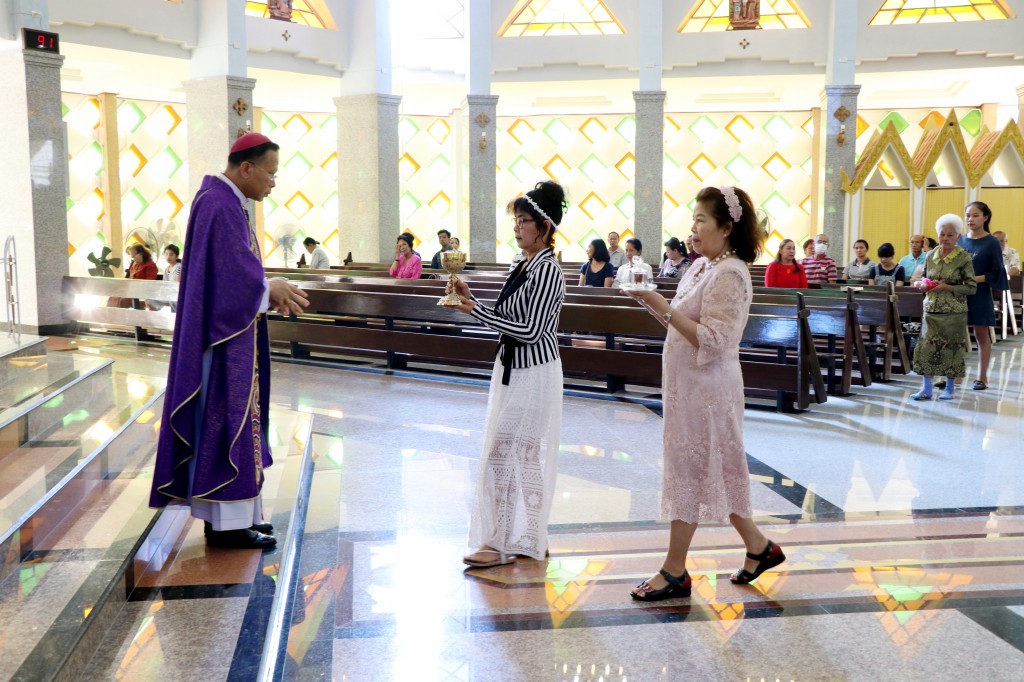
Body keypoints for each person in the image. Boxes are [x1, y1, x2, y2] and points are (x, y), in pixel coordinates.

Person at [622, 186, 785, 601]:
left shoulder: (731, 273)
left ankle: (675, 570)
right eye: (692, 219)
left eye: (701, 220)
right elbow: (680, 322)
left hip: (709, 389)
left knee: (691, 470)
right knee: (717, 467)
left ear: (726, 228)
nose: (692, 229)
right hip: (688, 385)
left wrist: (658, 301)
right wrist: (647, 299)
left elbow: (712, 339)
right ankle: (759, 547)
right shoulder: (700, 267)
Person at [149, 132, 309, 550]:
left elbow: (232, 271)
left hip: (232, 334)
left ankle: (235, 518)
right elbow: (229, 280)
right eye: (270, 174)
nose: (273, 183)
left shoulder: (226, 202)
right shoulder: (219, 204)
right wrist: (267, 288)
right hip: (223, 342)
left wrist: (268, 288)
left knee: (234, 423)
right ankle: (227, 526)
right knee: (225, 422)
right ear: (247, 168)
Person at [448, 180, 567, 567]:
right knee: (523, 453)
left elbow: (531, 331)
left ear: (544, 226)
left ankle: (497, 542)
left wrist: (474, 311)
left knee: (505, 451)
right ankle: (532, 537)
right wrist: (472, 298)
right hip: (512, 366)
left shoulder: (547, 270)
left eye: (524, 220)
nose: (516, 227)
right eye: (516, 220)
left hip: (534, 370)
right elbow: (507, 316)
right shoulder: (521, 263)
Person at [910, 215, 976, 401]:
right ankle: (926, 388)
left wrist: (947, 287)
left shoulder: (963, 258)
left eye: (950, 235)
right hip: (931, 309)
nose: (945, 238)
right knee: (926, 348)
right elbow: (924, 277)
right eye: (942, 234)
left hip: (953, 312)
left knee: (950, 350)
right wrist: (922, 284)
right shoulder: (930, 255)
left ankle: (949, 388)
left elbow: (971, 287)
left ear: (958, 237)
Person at [957, 201, 1009, 391]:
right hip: (959, 293)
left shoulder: (992, 242)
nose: (970, 219)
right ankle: (955, 376)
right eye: (968, 215)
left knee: (981, 334)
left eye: (975, 215)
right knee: (956, 334)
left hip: (979, 293)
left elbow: (996, 272)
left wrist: (972, 280)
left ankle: (982, 377)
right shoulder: (960, 240)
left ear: (985, 217)